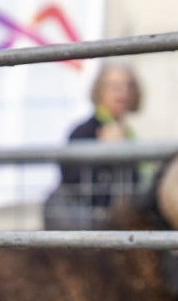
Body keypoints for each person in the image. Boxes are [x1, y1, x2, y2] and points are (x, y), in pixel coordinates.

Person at [47, 64, 145, 228]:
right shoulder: (83, 132)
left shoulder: (130, 135)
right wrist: (105, 154)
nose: (123, 92)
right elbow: (72, 180)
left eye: (129, 86)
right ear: (99, 91)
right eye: (115, 86)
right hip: (89, 227)